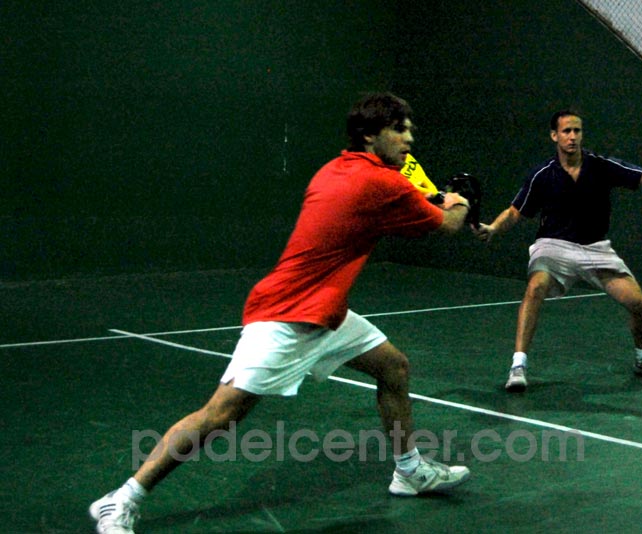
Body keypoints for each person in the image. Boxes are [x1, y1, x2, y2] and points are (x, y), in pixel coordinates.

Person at [89, 92, 473, 533]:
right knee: (221, 415)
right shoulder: (382, 183)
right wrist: (461, 202)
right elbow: (446, 224)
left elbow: (397, 214)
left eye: (409, 129)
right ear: (370, 135)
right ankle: (121, 499)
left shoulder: (336, 169)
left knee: (393, 367)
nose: (409, 138)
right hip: (289, 315)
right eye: (399, 129)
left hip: (327, 310)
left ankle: (410, 471)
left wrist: (438, 201)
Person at [475, 110, 642, 392]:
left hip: (596, 248)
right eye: (566, 131)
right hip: (553, 245)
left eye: (577, 131)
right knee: (535, 287)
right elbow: (515, 212)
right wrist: (493, 228)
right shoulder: (542, 174)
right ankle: (518, 366)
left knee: (638, 303)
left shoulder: (601, 166)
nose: (572, 136)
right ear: (554, 136)